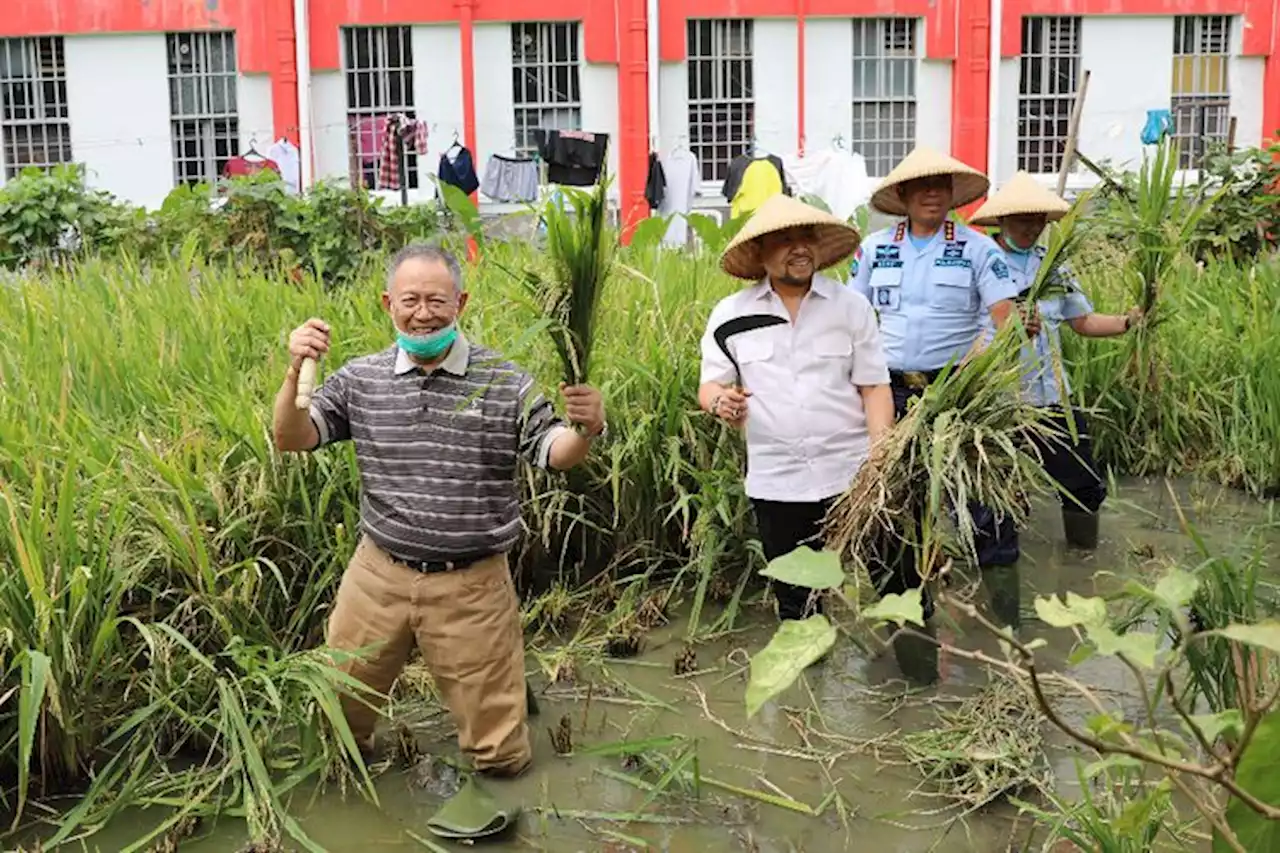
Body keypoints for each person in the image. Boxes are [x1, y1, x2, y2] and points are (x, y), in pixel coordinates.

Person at [272, 243, 607, 778]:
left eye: (436, 299)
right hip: (377, 577)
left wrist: (586, 428)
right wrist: (294, 373)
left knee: (500, 760)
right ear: (388, 303)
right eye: (410, 300)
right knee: (336, 729)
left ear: (461, 302)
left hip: (471, 585)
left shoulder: (506, 382)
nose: (423, 312)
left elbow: (554, 454)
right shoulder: (361, 380)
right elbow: (292, 437)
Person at [849, 146, 1022, 661]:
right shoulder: (874, 248)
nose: (931, 194)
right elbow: (853, 319)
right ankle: (908, 615)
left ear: (951, 196)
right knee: (895, 499)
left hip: (959, 391)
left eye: (941, 186)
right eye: (921, 186)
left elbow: (1003, 321)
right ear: (902, 196)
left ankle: (1007, 622)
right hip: (891, 390)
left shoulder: (977, 250)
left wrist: (972, 371)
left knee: (984, 503)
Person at [697, 194, 895, 624]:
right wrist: (721, 402)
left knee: (897, 583)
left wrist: (881, 462)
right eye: (784, 240)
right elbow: (710, 385)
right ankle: (810, 688)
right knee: (797, 606)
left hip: (854, 472)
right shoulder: (731, 315)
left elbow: (875, 386)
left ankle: (918, 678)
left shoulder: (851, 307)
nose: (799, 247)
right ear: (760, 253)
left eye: (806, 237)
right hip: (778, 483)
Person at [969, 171, 1143, 551]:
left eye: (1037, 220)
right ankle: (996, 569)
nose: (1031, 227)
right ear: (1001, 220)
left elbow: (1082, 321)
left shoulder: (1054, 265)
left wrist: (1128, 321)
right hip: (998, 402)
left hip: (1052, 398)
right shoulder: (980, 261)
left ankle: (1083, 558)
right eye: (1021, 219)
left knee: (1083, 483)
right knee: (995, 492)